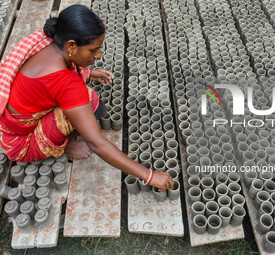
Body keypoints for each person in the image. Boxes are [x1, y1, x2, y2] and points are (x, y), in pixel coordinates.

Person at [0, 5, 173, 191]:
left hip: (12, 124)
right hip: (22, 143)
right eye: (93, 50)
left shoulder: (47, 40)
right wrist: (149, 175)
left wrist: (88, 73)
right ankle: (64, 148)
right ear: (71, 46)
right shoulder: (66, 83)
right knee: (90, 102)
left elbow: (45, 81)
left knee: (85, 100)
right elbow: (96, 143)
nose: (98, 55)